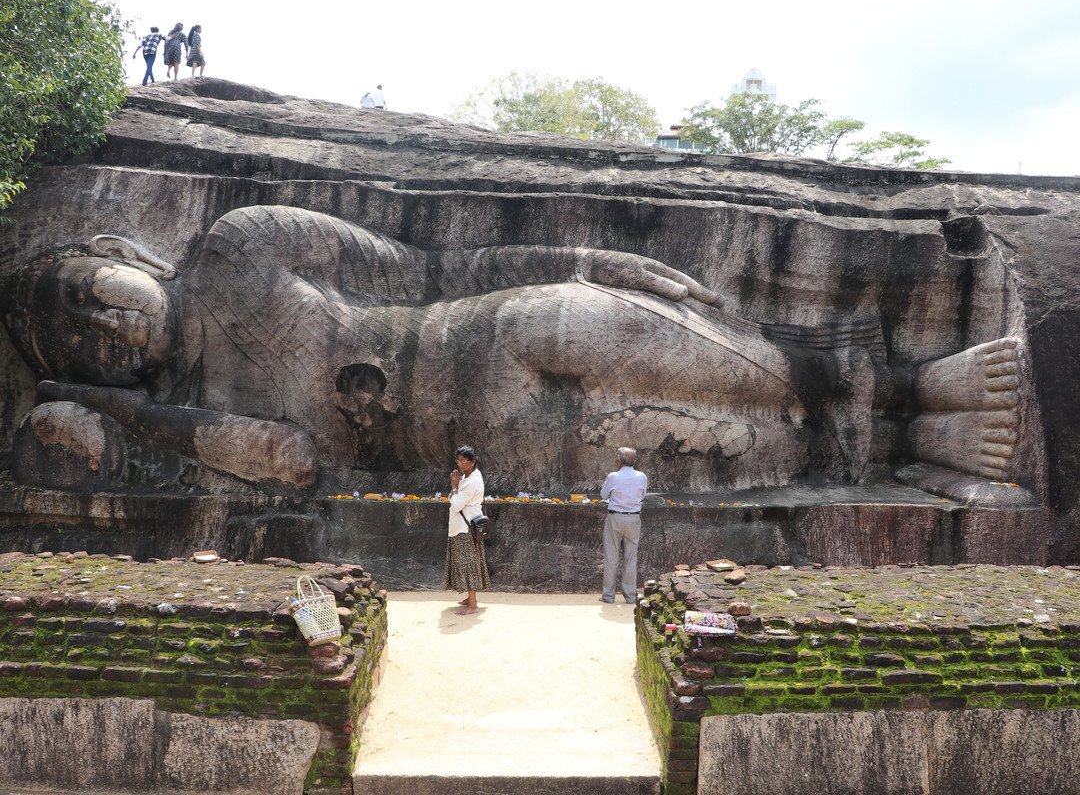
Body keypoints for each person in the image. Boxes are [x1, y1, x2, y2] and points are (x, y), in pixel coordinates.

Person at [6, 206, 1022, 496]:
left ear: (116, 254)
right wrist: (135, 415)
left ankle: (912, 384)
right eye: (83, 345)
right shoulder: (191, 405)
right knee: (718, 442)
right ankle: (911, 450)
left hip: (493, 323)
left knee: (726, 360)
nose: (109, 329)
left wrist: (590, 254)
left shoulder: (239, 243)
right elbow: (292, 461)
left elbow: (425, 266)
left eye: (93, 298)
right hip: (483, 440)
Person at [599, 447, 648, 604]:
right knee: (631, 558)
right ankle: (629, 596)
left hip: (615, 518)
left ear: (619, 461)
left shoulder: (613, 476)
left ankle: (608, 596)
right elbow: (643, 495)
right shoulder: (642, 476)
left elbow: (603, 495)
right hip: (633, 518)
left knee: (611, 557)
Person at [445, 445, 489, 615]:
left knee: (468, 565)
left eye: (463, 461)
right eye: (458, 460)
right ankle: (469, 599)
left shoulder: (473, 481)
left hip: (466, 529)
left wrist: (455, 487)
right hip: (461, 528)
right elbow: (452, 498)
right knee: (465, 564)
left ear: (473, 462)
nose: (460, 464)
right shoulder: (467, 477)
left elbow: (455, 504)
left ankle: (473, 604)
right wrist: (455, 489)